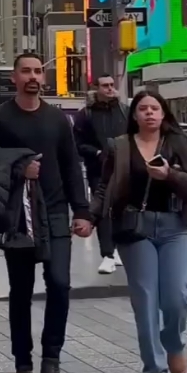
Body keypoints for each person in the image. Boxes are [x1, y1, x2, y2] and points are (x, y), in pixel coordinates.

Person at [0, 53, 89, 373]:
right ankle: (22, 367)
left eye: (39, 71)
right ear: (15, 76)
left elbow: (71, 167)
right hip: (19, 215)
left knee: (60, 284)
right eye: (26, 71)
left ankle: (51, 362)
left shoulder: (57, 120)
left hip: (54, 212)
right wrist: (18, 168)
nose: (33, 76)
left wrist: (82, 211)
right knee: (21, 292)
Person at [88, 90, 187, 373]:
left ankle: (174, 343)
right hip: (134, 227)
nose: (150, 113)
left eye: (155, 108)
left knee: (178, 296)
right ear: (135, 115)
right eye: (143, 108)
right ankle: (153, 370)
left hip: (174, 227)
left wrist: (171, 175)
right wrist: (89, 216)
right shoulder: (120, 146)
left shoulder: (179, 144)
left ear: (164, 113)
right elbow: (105, 188)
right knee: (145, 299)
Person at [73, 76, 128, 275]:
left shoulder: (124, 111)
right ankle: (108, 254)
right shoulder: (85, 115)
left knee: (123, 210)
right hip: (99, 170)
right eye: (105, 85)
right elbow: (78, 144)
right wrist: (97, 153)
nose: (110, 89)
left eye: (112, 85)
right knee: (103, 211)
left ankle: (120, 249)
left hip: (125, 169)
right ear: (95, 88)